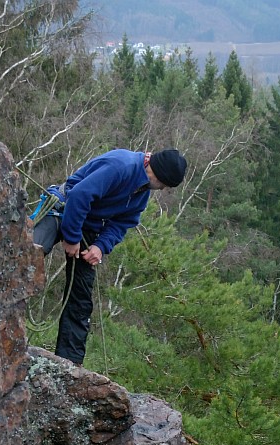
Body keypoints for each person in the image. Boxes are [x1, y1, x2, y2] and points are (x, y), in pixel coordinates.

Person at [32, 148, 188, 365]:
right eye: (164, 184)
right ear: (158, 174)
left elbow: (123, 223)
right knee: (27, 258)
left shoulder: (142, 191)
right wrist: (72, 237)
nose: (162, 189)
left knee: (81, 298)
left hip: (87, 226)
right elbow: (79, 195)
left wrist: (100, 246)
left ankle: (69, 363)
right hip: (62, 207)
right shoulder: (121, 166)